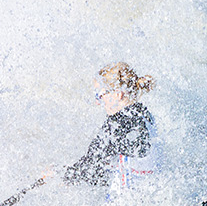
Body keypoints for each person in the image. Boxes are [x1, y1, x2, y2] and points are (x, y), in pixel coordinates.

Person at [40, 62, 158, 195]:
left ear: (118, 94)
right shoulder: (145, 115)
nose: (98, 102)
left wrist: (59, 175)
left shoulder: (116, 124)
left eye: (100, 95)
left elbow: (90, 168)